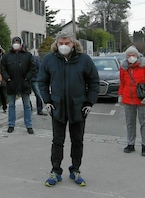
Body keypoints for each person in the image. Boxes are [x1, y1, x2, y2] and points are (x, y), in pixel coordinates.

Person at [38, 31, 99, 187]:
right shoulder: (49, 60)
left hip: (78, 107)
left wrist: (89, 103)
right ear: (56, 44)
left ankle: (75, 170)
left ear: (73, 44)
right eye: (61, 43)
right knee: (57, 141)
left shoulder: (84, 60)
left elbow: (94, 82)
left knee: (77, 141)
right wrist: (47, 101)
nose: (63, 46)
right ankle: (55, 171)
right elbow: (42, 82)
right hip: (57, 107)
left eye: (67, 43)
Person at [119, 46, 145, 157]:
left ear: (137, 55)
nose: (131, 57)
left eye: (133, 55)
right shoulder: (123, 67)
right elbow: (122, 82)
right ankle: (130, 143)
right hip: (128, 99)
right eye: (129, 55)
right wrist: (120, 95)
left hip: (143, 100)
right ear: (126, 56)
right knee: (130, 123)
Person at [0, 36, 37, 134]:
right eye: (14, 42)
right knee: (11, 105)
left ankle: (29, 125)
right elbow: (2, 68)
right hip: (11, 83)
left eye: (17, 42)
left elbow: (33, 68)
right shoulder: (7, 56)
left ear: (21, 44)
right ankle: (11, 125)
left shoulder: (27, 55)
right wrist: (7, 78)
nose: (16, 43)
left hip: (24, 84)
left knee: (27, 105)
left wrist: (27, 78)